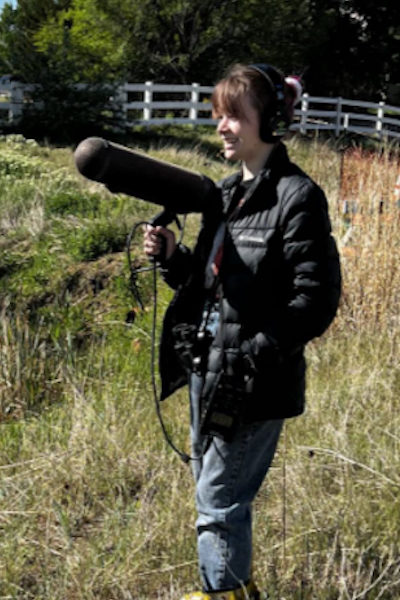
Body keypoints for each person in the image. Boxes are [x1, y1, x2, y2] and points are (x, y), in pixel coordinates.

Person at [143, 64, 341, 600]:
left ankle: (221, 593)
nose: (222, 126)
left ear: (268, 120)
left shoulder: (298, 197)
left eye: (234, 115)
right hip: (209, 369)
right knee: (217, 497)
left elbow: (316, 301)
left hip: (252, 380)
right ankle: (237, 588)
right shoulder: (226, 196)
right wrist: (173, 259)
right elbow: (213, 286)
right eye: (218, 115)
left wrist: (250, 355)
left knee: (219, 500)